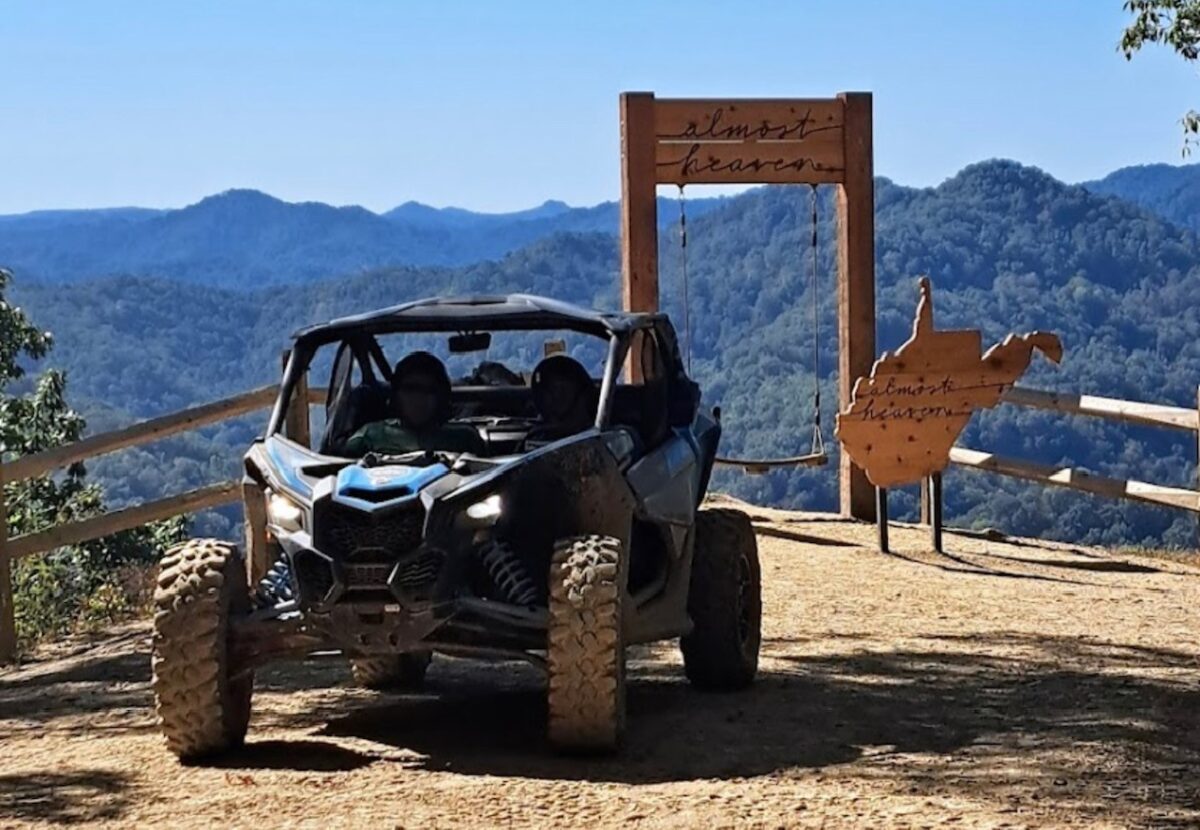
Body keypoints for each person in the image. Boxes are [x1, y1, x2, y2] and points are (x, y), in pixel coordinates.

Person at [343, 351, 485, 456]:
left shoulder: (464, 438)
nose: (418, 399)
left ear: (441, 397)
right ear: (396, 395)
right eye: (410, 389)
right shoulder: (370, 436)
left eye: (428, 390)